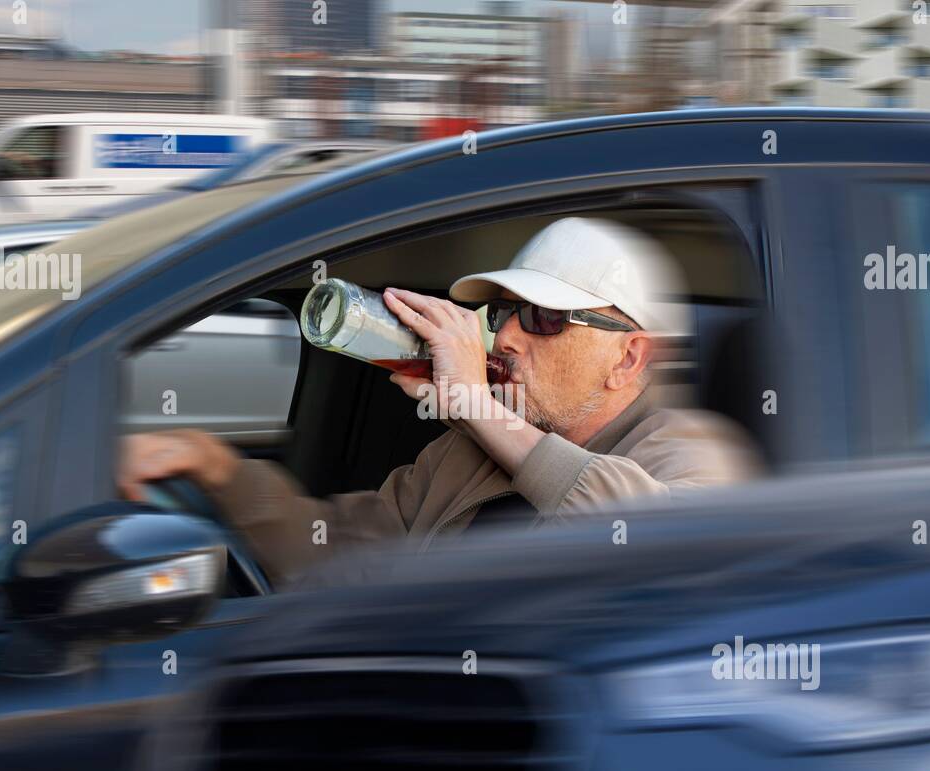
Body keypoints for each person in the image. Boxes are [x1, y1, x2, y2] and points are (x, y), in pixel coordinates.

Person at [120, 217, 761, 588]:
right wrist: (217, 468)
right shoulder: (465, 454)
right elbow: (333, 553)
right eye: (504, 311)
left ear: (628, 357)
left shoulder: (691, 451)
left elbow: (655, 543)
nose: (505, 334)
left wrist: (479, 407)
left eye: (541, 318)